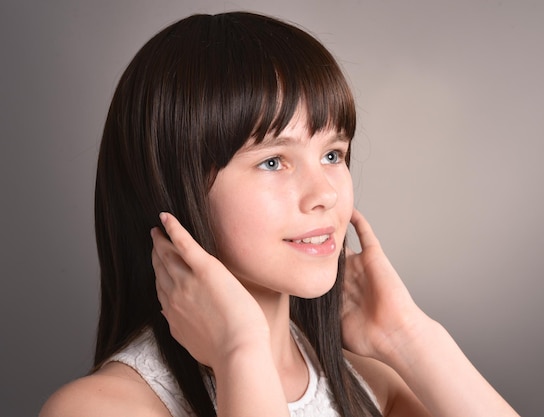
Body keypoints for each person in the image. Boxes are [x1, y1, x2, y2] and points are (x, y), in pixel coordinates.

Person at [40, 11, 519, 417]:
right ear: (172, 186)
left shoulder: (370, 387)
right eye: (273, 161)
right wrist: (239, 353)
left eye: (333, 154)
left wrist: (408, 336)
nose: (324, 195)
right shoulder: (103, 407)